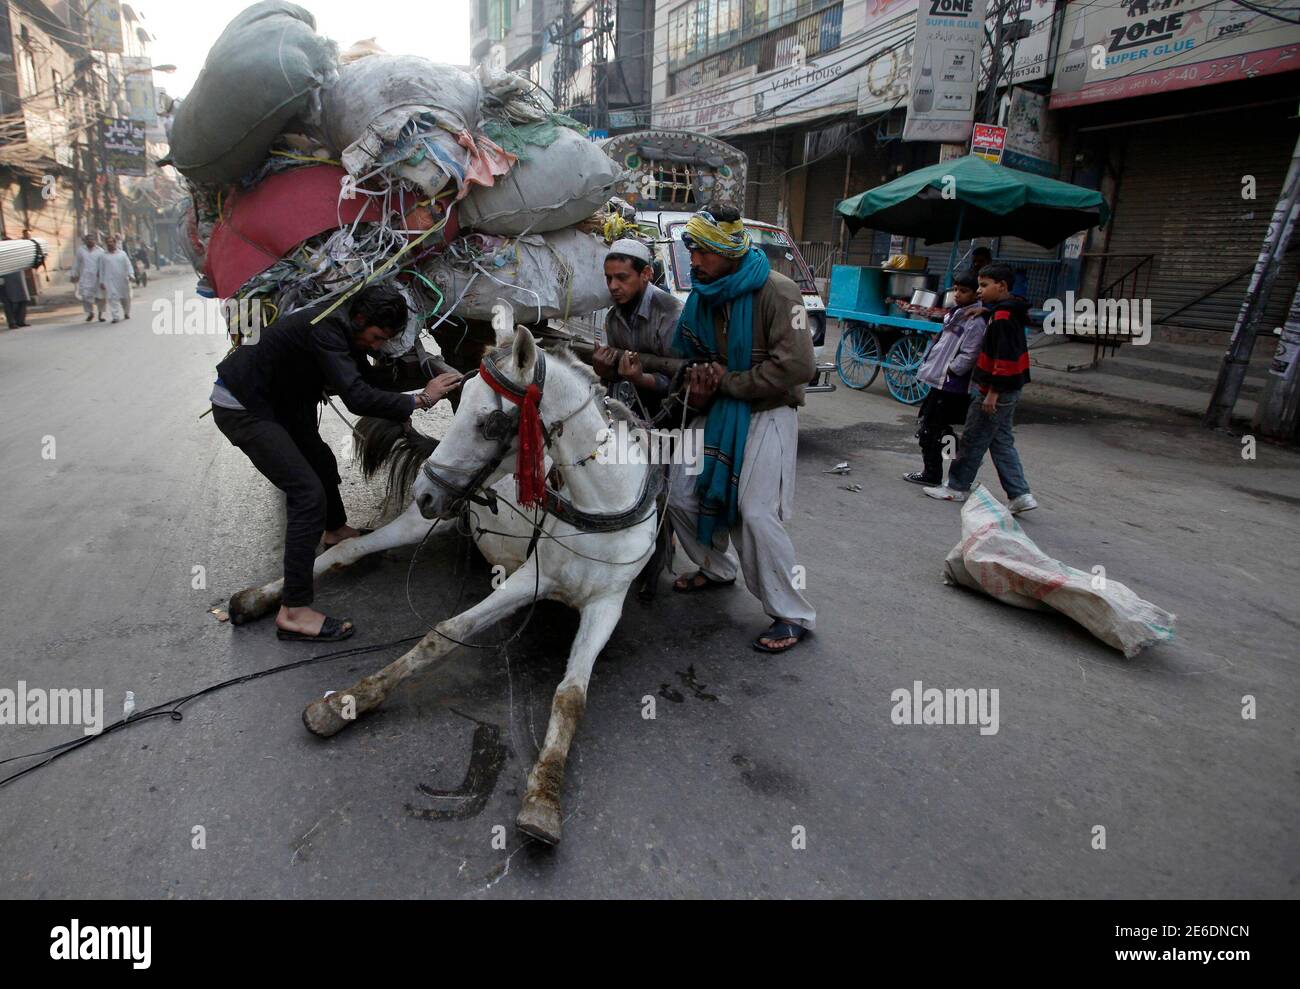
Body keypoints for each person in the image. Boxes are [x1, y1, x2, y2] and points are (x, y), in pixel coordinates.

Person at [211, 283, 463, 642]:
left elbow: (366, 377)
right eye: (376, 337)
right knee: (306, 493)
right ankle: (294, 611)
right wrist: (421, 399)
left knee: (322, 461)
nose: (377, 347)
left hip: (284, 401)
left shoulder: (346, 327)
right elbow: (357, 396)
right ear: (360, 318)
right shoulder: (327, 327)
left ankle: (335, 530)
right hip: (245, 405)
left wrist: (424, 375)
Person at [666, 206, 817, 653]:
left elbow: (798, 366)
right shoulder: (701, 296)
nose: (694, 261)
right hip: (715, 409)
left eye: (704, 252)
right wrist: (695, 379)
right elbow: (687, 354)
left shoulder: (778, 291)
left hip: (769, 410)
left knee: (755, 512)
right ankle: (717, 568)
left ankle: (792, 613)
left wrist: (728, 381)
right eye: (691, 249)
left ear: (729, 250)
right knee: (679, 496)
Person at [924, 263, 1037, 514]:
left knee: (973, 439)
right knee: (1001, 440)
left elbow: (1003, 359)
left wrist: (992, 393)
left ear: (1002, 286)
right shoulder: (1006, 311)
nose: (979, 291)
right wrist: (986, 310)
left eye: (984, 286)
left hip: (993, 390)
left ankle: (956, 486)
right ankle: (1020, 494)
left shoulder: (1002, 318)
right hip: (1009, 388)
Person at [903, 272, 987, 486]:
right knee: (938, 429)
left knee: (931, 430)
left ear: (974, 294)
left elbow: (969, 354)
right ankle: (952, 459)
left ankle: (934, 472)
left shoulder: (974, 321)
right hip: (940, 381)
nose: (958, 295)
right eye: (956, 290)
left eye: (964, 291)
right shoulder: (956, 314)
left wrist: (951, 370)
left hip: (952, 385)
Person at [592, 238, 684, 418]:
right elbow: (617, 376)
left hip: (668, 416)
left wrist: (641, 379)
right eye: (609, 278)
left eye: (622, 277)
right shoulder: (614, 317)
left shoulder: (671, 314)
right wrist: (604, 370)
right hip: (630, 411)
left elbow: (679, 381)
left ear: (646, 274)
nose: (613, 286)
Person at [71, 234, 105, 322]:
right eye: (88, 239)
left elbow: (104, 264)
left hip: (97, 278)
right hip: (85, 277)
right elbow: (76, 263)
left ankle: (100, 314)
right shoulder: (80, 250)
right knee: (85, 296)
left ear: (95, 241)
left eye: (92, 239)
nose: (90, 241)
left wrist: (103, 275)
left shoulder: (100, 251)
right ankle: (90, 313)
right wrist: (74, 274)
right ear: (85, 241)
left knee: (100, 297)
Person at [99, 236, 134, 323]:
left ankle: (126, 312)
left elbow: (128, 265)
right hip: (109, 280)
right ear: (106, 244)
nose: (110, 244)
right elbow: (101, 269)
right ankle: (115, 316)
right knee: (112, 298)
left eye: (111, 242)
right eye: (108, 242)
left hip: (122, 279)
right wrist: (101, 281)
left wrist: (131, 274)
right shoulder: (103, 256)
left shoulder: (122, 254)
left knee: (125, 298)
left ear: (115, 243)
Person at [1, 236, 31, 328]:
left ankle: (20, 321)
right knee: (9, 302)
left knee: (23, 299)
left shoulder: (17, 253)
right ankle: (12, 322)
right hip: (4, 280)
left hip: (18, 278)